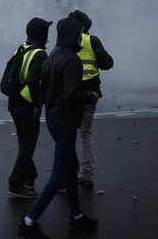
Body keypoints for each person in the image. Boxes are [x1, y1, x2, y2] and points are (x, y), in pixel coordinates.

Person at [17, 17, 99, 238]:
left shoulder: (52, 56)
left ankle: (77, 216)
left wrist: (38, 104)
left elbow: (42, 88)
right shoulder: (71, 59)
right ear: (73, 35)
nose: (82, 37)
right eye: (80, 33)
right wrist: (89, 95)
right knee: (60, 172)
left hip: (54, 119)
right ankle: (29, 221)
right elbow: (71, 93)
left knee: (70, 169)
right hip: (66, 122)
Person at [67, 10, 113, 186]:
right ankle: (86, 174)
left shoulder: (66, 42)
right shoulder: (92, 41)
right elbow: (107, 63)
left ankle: (68, 173)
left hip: (71, 94)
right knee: (85, 135)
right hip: (90, 94)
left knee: (69, 135)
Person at [7, 17, 51, 199]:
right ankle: (16, 183)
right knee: (28, 144)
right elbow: (34, 81)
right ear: (41, 34)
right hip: (27, 105)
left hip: (14, 102)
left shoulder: (21, 48)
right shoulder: (40, 54)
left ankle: (30, 176)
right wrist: (37, 104)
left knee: (24, 142)